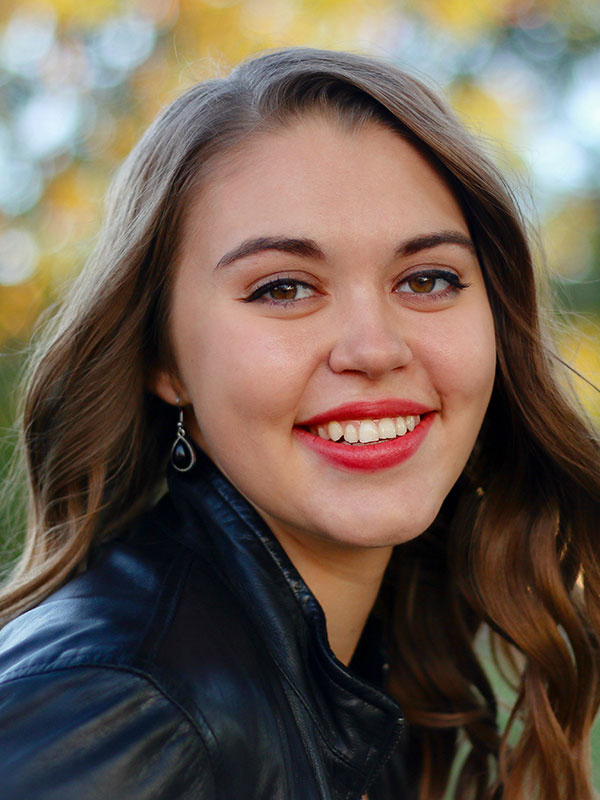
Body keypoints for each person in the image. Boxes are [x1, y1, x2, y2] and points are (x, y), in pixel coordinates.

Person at [0, 47, 598, 800]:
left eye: (427, 278)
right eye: (284, 288)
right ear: (165, 358)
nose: (374, 349)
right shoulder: (124, 711)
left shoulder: (364, 674)